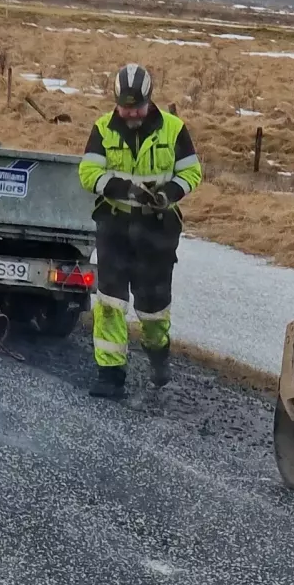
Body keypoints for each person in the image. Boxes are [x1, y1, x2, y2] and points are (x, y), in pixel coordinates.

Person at [77, 63, 203, 398]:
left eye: (137, 107)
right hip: (115, 226)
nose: (131, 113)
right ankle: (110, 375)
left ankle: (158, 353)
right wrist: (124, 189)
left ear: (150, 100)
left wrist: (168, 194)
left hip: (157, 230)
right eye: (125, 107)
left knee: (152, 310)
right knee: (110, 302)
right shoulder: (103, 128)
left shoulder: (174, 129)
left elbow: (192, 173)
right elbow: (88, 173)